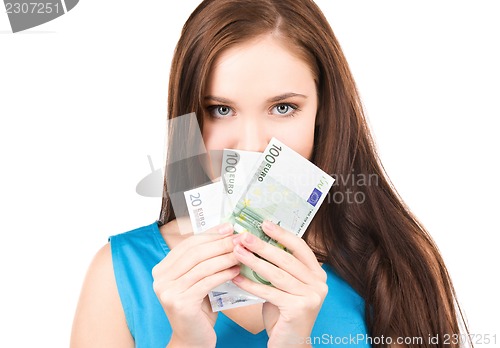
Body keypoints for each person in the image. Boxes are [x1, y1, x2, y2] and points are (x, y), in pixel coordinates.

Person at [70, 0, 469, 347]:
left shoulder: (393, 263)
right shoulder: (117, 276)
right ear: (190, 118)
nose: (252, 145)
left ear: (322, 112)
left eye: (283, 108)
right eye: (220, 109)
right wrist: (187, 342)